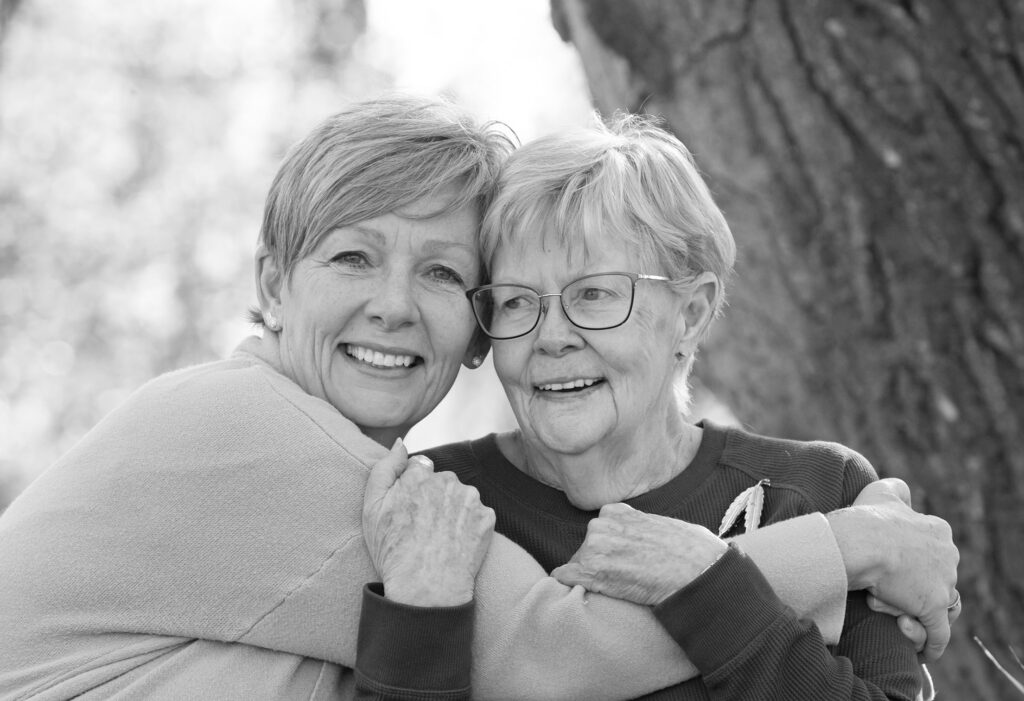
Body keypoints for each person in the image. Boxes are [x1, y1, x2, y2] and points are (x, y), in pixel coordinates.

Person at [0, 95, 955, 701]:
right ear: (274, 283)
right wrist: (854, 548)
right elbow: (554, 656)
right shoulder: (363, 480)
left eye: (445, 275)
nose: (395, 306)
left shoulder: (813, 483)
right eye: (352, 255)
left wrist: (762, 560)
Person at [360, 112, 962, 700]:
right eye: (517, 302)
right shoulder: (436, 506)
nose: (550, 337)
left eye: (594, 294)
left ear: (691, 314)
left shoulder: (818, 489)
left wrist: (705, 583)